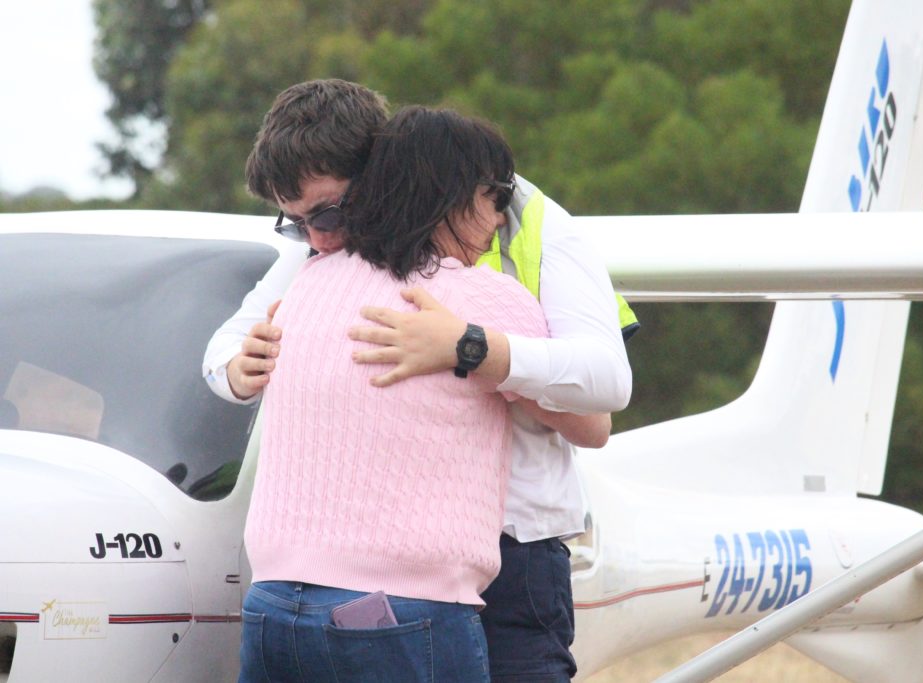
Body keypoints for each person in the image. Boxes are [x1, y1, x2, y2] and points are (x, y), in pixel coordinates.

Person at [204, 79, 634, 681]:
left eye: (328, 213)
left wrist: (469, 350)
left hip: (514, 545)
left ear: (386, 175)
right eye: (296, 224)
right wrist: (237, 367)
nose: (318, 239)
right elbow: (228, 342)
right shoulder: (322, 261)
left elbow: (597, 409)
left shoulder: (537, 228)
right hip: (400, 576)